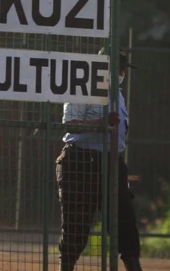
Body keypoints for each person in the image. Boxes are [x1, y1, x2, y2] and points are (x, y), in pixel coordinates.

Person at [55, 48, 143, 271]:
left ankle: (133, 265)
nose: (123, 72)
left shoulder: (117, 94)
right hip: (81, 160)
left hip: (111, 162)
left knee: (124, 219)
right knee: (77, 224)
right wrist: (101, 124)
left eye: (124, 68)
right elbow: (68, 125)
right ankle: (66, 266)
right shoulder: (83, 86)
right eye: (119, 68)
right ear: (105, 67)